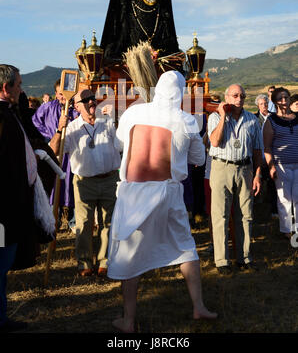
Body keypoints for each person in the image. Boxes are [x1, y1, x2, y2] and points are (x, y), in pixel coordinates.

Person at [107, 71, 217, 333]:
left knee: (129, 253)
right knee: (185, 246)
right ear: (180, 92)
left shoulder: (133, 113)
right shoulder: (186, 120)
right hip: (168, 193)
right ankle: (198, 306)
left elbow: (119, 143)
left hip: (134, 192)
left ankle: (128, 320)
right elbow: (199, 161)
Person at [50, 89, 121, 277]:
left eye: (93, 99)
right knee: (84, 222)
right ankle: (84, 263)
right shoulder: (71, 128)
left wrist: (117, 121)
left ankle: (105, 261)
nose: (92, 102)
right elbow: (54, 151)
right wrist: (59, 129)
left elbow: (123, 145)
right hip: (84, 182)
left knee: (109, 222)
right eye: (86, 100)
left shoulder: (108, 122)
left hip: (110, 179)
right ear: (76, 106)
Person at [208, 84, 263, 275]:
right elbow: (215, 141)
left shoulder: (252, 120)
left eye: (242, 96)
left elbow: (257, 150)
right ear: (227, 97)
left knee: (245, 215)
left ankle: (245, 258)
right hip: (222, 167)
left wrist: (257, 174)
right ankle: (222, 261)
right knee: (220, 215)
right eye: (235, 95)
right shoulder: (214, 117)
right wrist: (223, 116)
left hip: (245, 168)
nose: (239, 99)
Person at [0, 65, 34, 331]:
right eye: (19, 85)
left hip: (12, 204)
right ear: (5, 88)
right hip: (3, 208)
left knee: (3, 265)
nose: (22, 89)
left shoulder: (10, 114)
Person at [32, 79, 78, 230]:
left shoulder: (77, 109)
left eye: (66, 94)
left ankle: (73, 221)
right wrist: (50, 139)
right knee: (53, 187)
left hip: (72, 156)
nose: (63, 97)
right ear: (56, 94)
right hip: (53, 154)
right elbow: (35, 124)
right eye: (60, 94)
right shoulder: (47, 108)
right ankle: (53, 222)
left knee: (71, 186)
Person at [263, 87, 298, 240]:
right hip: (281, 165)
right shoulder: (271, 121)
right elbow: (267, 146)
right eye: (280, 98)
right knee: (284, 198)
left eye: (286, 97)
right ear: (275, 101)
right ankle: (286, 230)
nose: (284, 101)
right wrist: (271, 166)